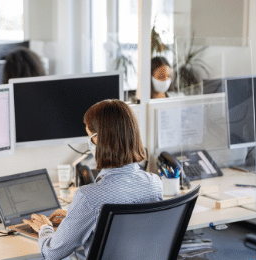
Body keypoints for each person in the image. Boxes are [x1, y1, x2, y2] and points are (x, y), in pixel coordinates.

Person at [22, 99, 163, 260]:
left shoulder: (89, 197)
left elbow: (52, 253)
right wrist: (75, 217)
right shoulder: (154, 184)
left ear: (98, 140)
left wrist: (45, 229)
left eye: (89, 135)